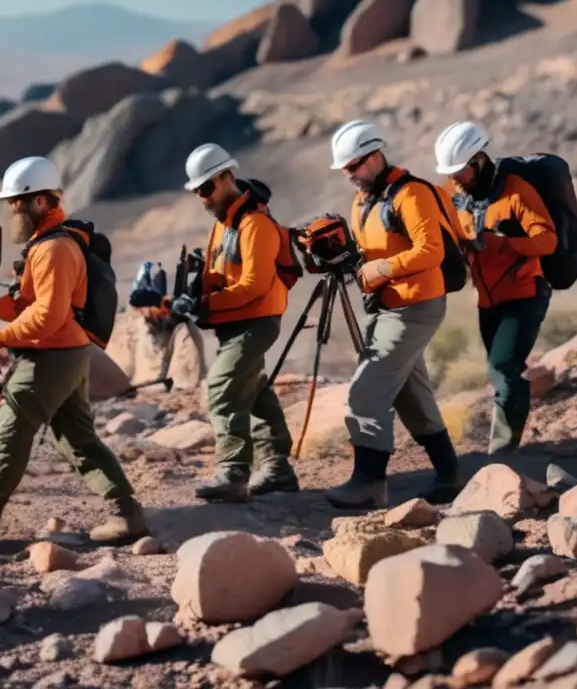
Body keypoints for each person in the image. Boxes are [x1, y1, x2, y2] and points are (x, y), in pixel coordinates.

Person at [0, 156, 148, 552]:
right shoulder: (47, 245)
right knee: (76, 436)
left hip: (54, 355)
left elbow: (49, 315)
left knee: (9, 429)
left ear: (40, 203)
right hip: (66, 350)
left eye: (16, 203)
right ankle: (127, 513)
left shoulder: (54, 249)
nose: (11, 212)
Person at [327, 120, 461, 509]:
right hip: (388, 306)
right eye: (345, 169)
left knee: (365, 391)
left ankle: (369, 482)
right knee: (410, 393)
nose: (349, 175)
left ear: (375, 155)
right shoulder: (363, 200)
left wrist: (381, 270)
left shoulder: (412, 193)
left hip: (416, 305)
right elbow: (370, 251)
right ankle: (449, 474)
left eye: (354, 166)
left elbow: (430, 251)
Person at [167, 143, 300, 503]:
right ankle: (278, 471)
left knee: (224, 387)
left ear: (228, 177)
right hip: (235, 322)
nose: (202, 197)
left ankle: (233, 470)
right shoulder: (223, 226)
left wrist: (206, 303)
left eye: (207, 188)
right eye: (197, 191)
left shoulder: (256, 224)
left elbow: (253, 285)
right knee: (254, 392)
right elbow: (214, 274)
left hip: (256, 321)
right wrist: (189, 298)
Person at [435, 121, 557, 454]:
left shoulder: (516, 191)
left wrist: (503, 243)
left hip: (525, 293)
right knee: (501, 370)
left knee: (503, 367)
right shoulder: (453, 195)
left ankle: (502, 451)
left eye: (459, 170)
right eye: (450, 173)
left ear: (478, 160)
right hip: (487, 300)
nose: (454, 178)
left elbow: (547, 241)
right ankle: (505, 444)